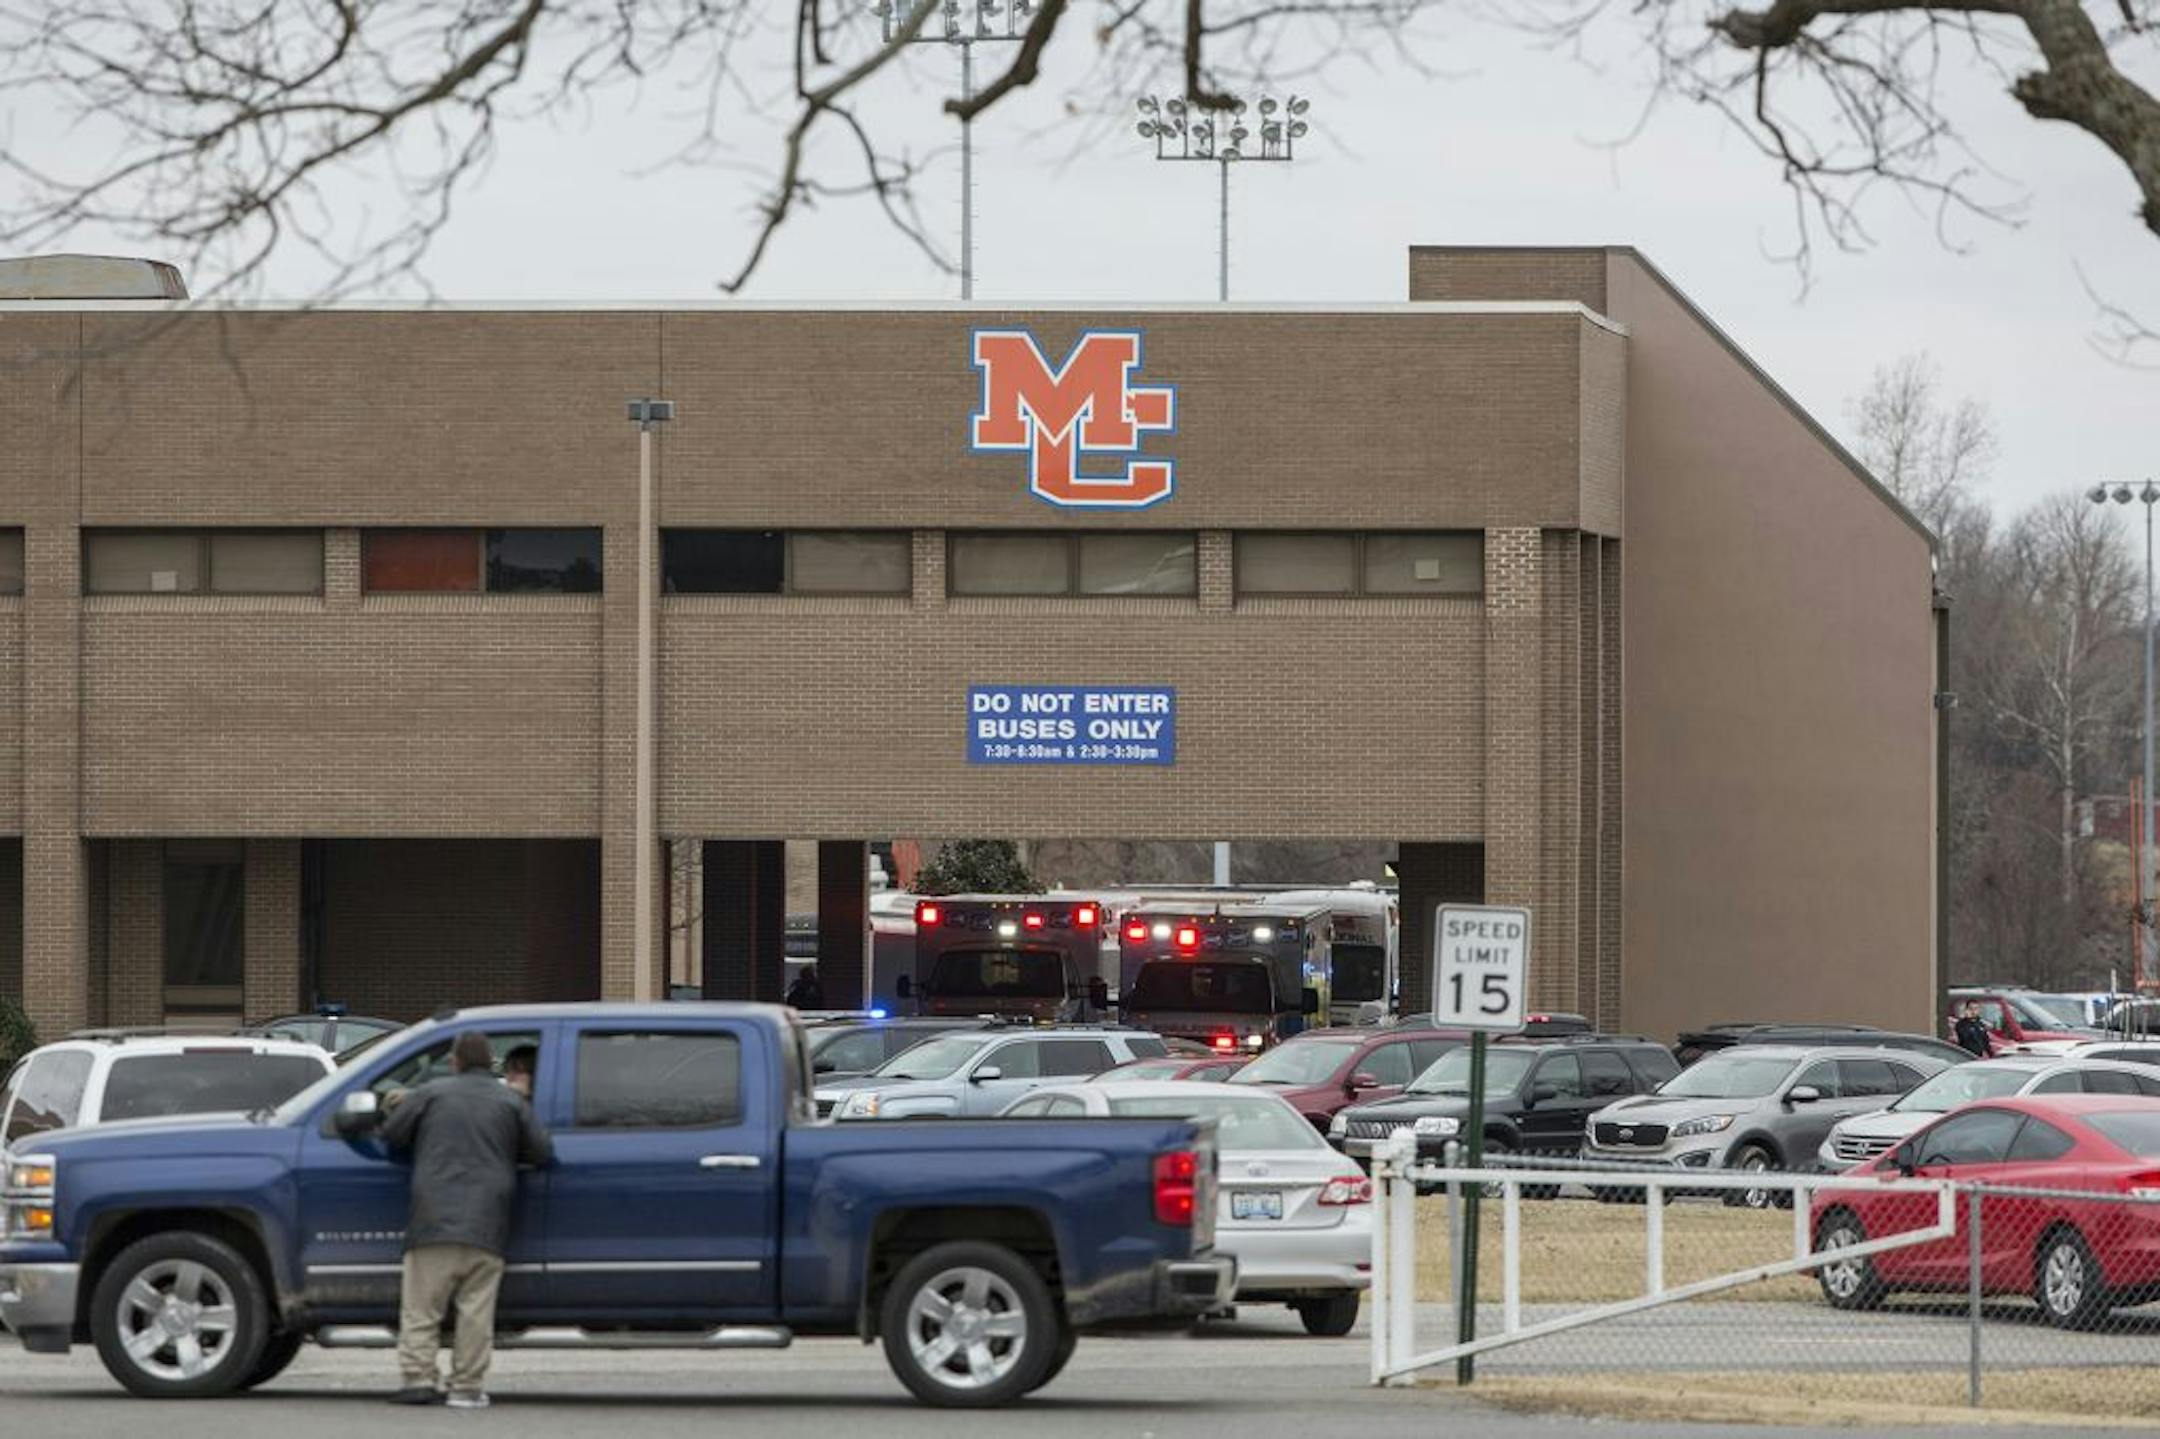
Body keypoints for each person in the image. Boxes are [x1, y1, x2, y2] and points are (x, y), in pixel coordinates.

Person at [380, 1031, 552, 1410]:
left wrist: (397, 1104)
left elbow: (392, 1135)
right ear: (489, 1062)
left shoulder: (431, 1093)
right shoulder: (510, 1101)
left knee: (422, 1308)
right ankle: (467, 1386)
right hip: (488, 1222)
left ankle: (419, 1378)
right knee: (475, 1311)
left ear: (455, 1061)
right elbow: (541, 1152)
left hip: (433, 1218)